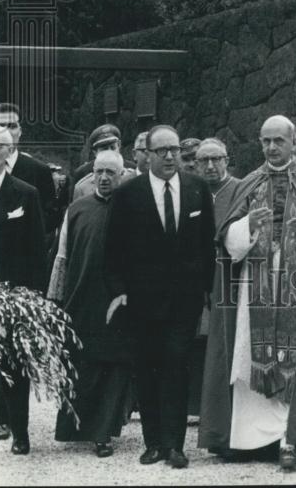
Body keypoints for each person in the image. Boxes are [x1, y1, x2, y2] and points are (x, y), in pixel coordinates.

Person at [199, 115, 296, 472]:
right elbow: (227, 240)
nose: (271, 147)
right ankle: (249, 438)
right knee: (250, 357)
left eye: (278, 140)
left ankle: (291, 437)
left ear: (293, 141)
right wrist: (246, 228)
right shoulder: (250, 183)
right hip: (254, 287)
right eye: (266, 141)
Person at [104, 124, 215, 469]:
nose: (170, 156)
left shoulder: (197, 189)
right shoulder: (127, 194)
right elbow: (112, 251)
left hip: (185, 299)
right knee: (148, 367)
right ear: (148, 155)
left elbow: (206, 244)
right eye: (162, 151)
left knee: (177, 365)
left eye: (175, 150)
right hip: (142, 300)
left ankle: (175, 445)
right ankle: (153, 442)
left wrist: (206, 290)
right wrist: (120, 293)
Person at [48, 149, 133, 457]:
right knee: (84, 367)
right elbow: (63, 256)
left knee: (113, 368)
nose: (105, 177)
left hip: (118, 302)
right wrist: (56, 300)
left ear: (122, 175)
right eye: (99, 171)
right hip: (81, 299)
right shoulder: (77, 209)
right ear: (91, 174)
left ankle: (102, 435)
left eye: (111, 172)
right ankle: (75, 427)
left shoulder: (133, 209)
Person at [0, 124, 47, 455]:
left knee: (12, 363)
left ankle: (19, 433)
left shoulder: (25, 193)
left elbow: (37, 248)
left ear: (10, 153)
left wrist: (33, 295)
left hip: (11, 293)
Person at [187, 138, 241, 418]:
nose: (210, 165)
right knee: (195, 339)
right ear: (195, 164)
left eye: (216, 159)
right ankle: (196, 406)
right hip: (193, 275)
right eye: (203, 160)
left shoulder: (240, 189)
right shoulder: (189, 191)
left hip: (230, 276)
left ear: (226, 160)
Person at [0, 102, 56, 240]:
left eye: (12, 126)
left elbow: (49, 218)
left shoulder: (39, 171)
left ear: (20, 131)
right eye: (0, 126)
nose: (6, 131)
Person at [73, 124, 134, 201]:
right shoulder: (82, 173)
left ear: (119, 145)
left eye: (113, 147)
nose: (109, 152)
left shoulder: (132, 169)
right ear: (95, 152)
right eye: (104, 149)